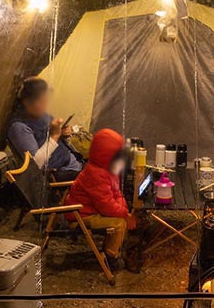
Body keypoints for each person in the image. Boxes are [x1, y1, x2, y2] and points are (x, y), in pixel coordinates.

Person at [64, 128, 129, 271]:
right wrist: (123, 213)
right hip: (80, 215)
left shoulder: (107, 168)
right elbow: (105, 204)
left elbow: (116, 193)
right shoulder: (96, 174)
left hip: (92, 210)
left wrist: (123, 207)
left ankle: (115, 248)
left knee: (122, 217)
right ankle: (110, 258)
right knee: (119, 223)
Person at [7, 77, 82, 181]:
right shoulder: (19, 128)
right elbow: (35, 165)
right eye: (42, 101)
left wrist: (63, 134)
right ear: (27, 101)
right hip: (63, 172)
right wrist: (55, 136)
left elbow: (51, 140)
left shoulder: (40, 115)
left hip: (73, 162)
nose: (45, 105)